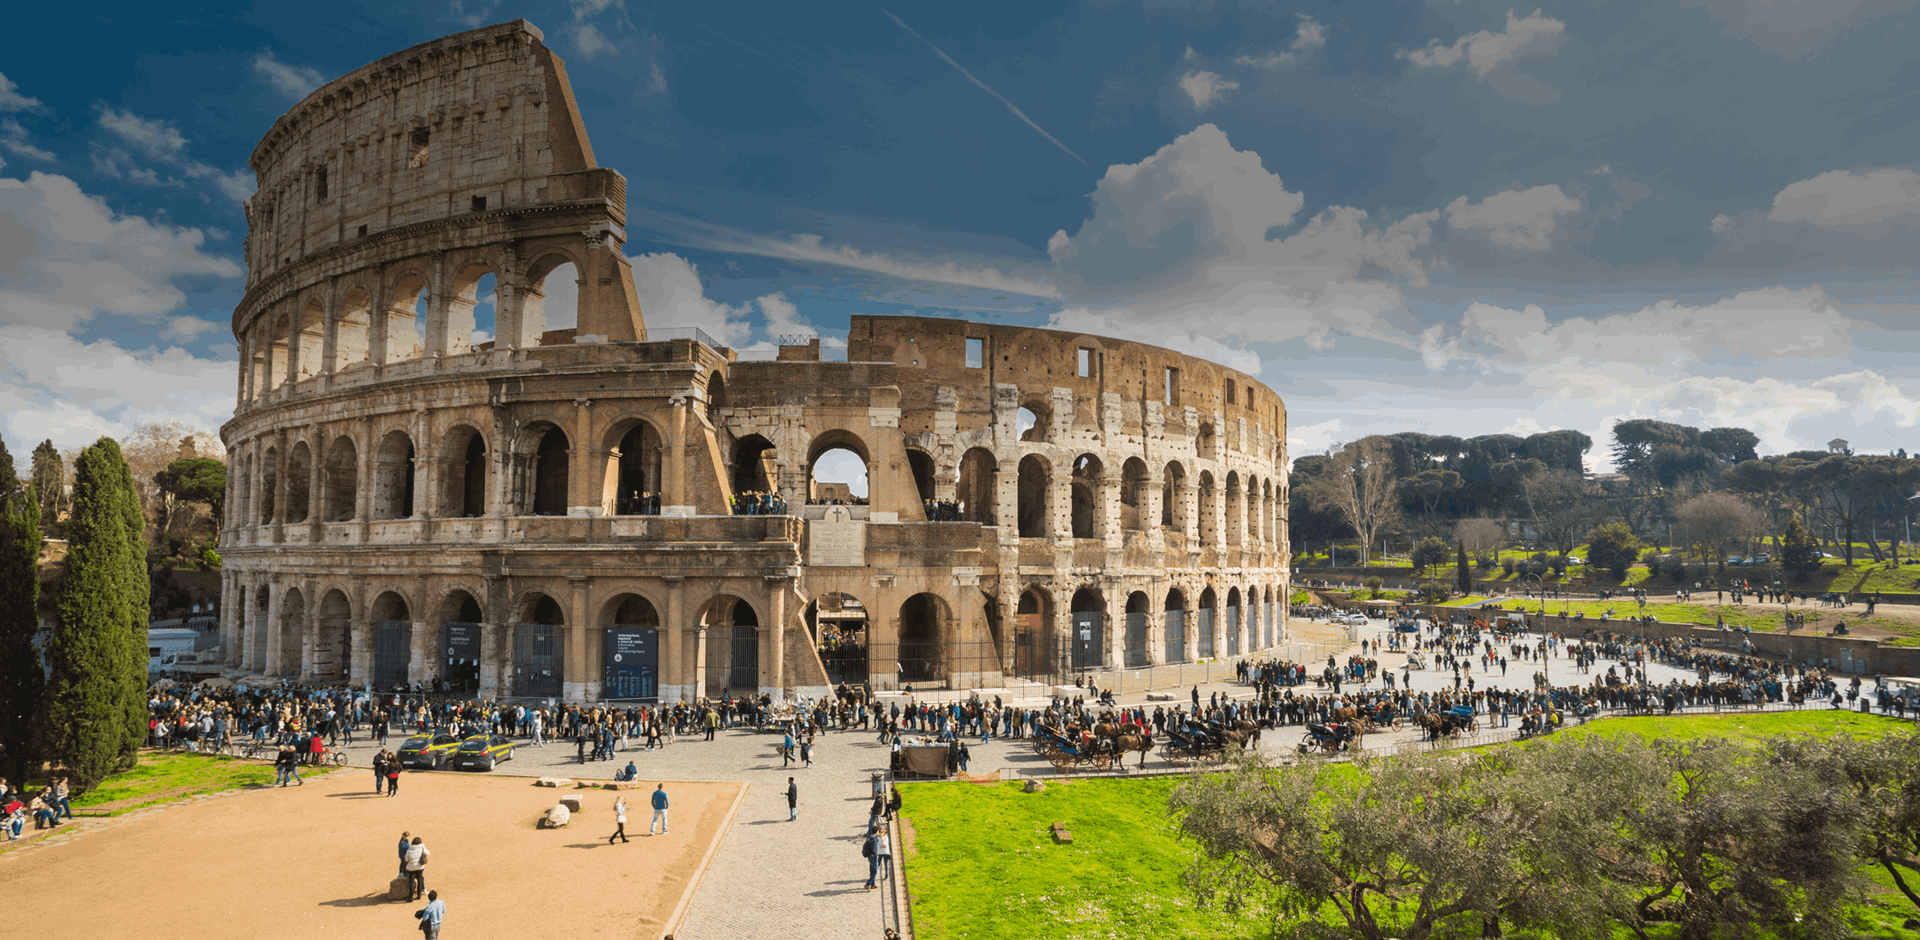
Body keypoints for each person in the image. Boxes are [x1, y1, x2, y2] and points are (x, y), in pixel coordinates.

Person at [404, 835, 430, 900]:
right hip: (420, 867)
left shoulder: (409, 849)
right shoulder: (422, 847)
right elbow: (428, 853)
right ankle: (419, 896)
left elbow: (406, 859)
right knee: (420, 880)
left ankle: (410, 897)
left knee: (411, 882)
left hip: (411, 868)